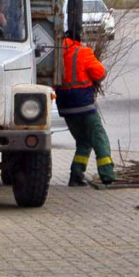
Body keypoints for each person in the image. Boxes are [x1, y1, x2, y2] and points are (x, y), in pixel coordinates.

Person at [56, 32, 116, 186]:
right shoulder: (82, 52)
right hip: (84, 105)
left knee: (83, 141)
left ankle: (75, 176)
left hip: (65, 107)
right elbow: (100, 73)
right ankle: (107, 174)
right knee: (99, 138)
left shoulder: (56, 56)